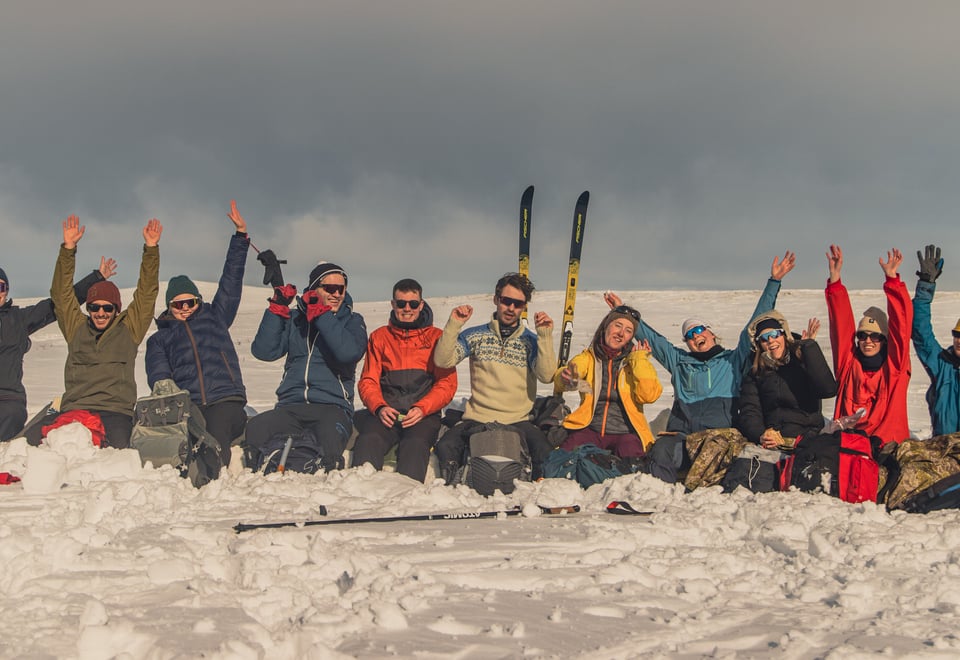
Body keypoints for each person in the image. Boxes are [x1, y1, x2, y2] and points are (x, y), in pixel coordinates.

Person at [605, 251, 796, 480]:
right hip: (684, 439)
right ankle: (658, 493)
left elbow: (754, 324)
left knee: (737, 462)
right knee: (662, 449)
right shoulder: (680, 362)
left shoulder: (733, 360)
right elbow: (654, 340)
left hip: (721, 438)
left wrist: (774, 281)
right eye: (689, 336)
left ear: (711, 333)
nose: (695, 336)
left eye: (698, 330)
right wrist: (623, 313)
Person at [24, 216, 162, 448]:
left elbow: (146, 294)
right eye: (94, 307)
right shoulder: (77, 328)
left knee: (118, 455)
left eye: (107, 308)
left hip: (115, 413)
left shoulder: (129, 329)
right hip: (74, 410)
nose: (100, 313)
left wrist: (151, 249)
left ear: (116, 310)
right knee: (30, 447)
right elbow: (61, 295)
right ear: (88, 309)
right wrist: (68, 249)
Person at [145, 200, 251, 467]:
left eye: (190, 302)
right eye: (178, 304)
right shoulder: (160, 339)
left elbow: (231, 281)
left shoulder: (216, 316)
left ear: (198, 301)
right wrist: (165, 387)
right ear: (169, 307)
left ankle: (211, 478)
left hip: (225, 398)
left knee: (215, 434)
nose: (185, 308)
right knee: (185, 437)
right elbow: (158, 372)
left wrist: (240, 237)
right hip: (188, 404)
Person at [433, 272, 556, 483]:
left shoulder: (531, 341)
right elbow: (443, 361)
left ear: (524, 307)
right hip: (477, 417)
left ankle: (534, 490)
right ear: (496, 299)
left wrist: (544, 336)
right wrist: (454, 324)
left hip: (518, 419)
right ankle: (453, 487)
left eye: (518, 304)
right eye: (506, 301)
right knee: (446, 446)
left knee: (545, 452)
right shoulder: (475, 335)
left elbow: (546, 376)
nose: (511, 308)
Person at [245, 260, 367, 472]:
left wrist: (321, 315)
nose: (336, 294)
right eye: (329, 288)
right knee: (256, 428)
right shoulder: (296, 319)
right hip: (291, 406)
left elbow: (348, 353)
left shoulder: (352, 321)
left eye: (341, 289)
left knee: (330, 440)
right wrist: (278, 308)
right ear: (314, 289)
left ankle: (325, 476)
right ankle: (261, 471)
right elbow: (264, 351)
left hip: (332, 407)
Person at [0, 258, 118, 441]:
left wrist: (96, 278)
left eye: (0, 287)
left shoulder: (19, 319)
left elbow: (58, 305)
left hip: (8, 401)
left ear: (6, 291)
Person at [351, 278, 457, 482]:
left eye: (413, 304)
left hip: (422, 416)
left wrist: (422, 408)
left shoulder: (437, 338)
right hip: (387, 413)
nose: (407, 309)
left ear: (421, 305)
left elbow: (447, 384)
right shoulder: (380, 337)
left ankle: (408, 493)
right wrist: (379, 407)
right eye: (401, 303)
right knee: (368, 439)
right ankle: (359, 490)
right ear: (393, 304)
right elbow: (368, 381)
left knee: (415, 444)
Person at [825, 245, 912, 444]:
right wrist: (835, 280)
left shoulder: (895, 369)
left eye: (875, 336)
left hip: (885, 449)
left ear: (885, 340)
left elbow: (902, 326)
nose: (868, 341)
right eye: (862, 336)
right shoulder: (849, 366)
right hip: (848, 448)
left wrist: (892, 280)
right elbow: (840, 328)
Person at [554, 305, 663, 459]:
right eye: (618, 325)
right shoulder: (589, 358)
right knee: (561, 459)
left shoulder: (633, 363)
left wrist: (640, 360)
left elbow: (649, 396)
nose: (621, 333)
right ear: (606, 326)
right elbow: (565, 377)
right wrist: (567, 377)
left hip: (625, 433)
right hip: (590, 429)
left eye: (628, 331)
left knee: (633, 463)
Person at [737, 311, 838, 448]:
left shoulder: (802, 359)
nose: (771, 340)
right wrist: (760, 435)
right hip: (775, 439)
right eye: (764, 338)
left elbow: (828, 390)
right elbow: (750, 410)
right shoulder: (755, 374)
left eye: (775, 334)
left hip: (808, 436)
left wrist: (809, 348)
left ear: (784, 335)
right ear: (759, 345)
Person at [912, 244, 960, 436]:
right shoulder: (942, 364)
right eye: (957, 335)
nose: (959, 341)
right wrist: (925, 285)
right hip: (943, 448)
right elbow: (921, 332)